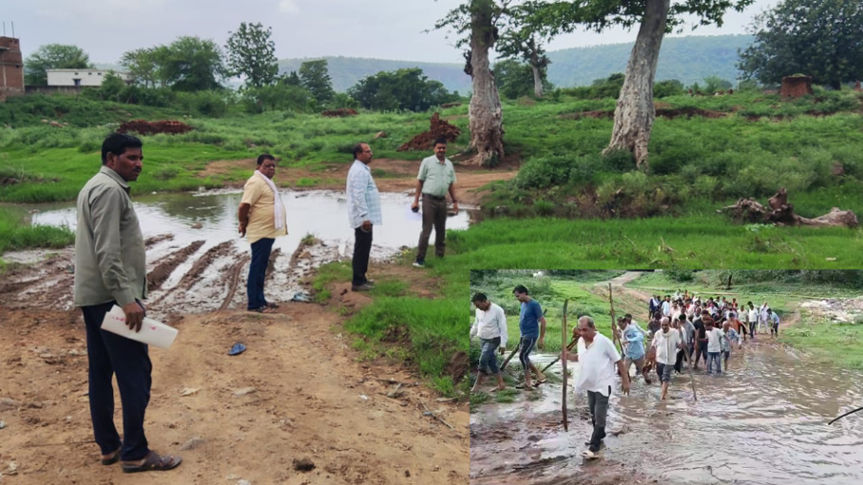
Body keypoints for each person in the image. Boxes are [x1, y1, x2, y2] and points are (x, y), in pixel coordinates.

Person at [74, 133, 181, 473]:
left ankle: (109, 447)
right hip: (111, 299)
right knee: (136, 373)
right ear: (111, 159)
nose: (139, 164)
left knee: (101, 372)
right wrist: (126, 300)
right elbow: (108, 252)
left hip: (94, 298)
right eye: (131, 158)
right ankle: (134, 452)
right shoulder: (108, 191)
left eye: (140, 158)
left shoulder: (96, 185)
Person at [563, 316, 630, 459]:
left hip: (603, 384)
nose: (582, 333)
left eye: (585, 330)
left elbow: (619, 361)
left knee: (600, 416)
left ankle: (594, 446)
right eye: (580, 330)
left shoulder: (603, 341)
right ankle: (600, 434)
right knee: (593, 413)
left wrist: (625, 381)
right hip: (589, 384)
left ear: (593, 328)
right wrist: (568, 356)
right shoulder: (581, 341)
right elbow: (581, 357)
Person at [238, 154, 287, 312]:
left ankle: (261, 300)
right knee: (257, 267)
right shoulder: (256, 182)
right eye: (267, 166)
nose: (271, 168)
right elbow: (244, 206)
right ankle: (254, 304)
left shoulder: (266, 182)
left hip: (267, 231)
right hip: (260, 231)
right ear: (259, 167)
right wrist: (242, 222)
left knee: (262, 266)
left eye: (273, 166)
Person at [411, 137, 458, 268]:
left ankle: (440, 258)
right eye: (439, 148)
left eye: (443, 148)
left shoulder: (449, 164)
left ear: (446, 149)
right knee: (427, 230)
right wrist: (415, 201)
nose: (441, 150)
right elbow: (420, 181)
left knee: (441, 230)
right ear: (434, 149)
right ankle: (419, 259)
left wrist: (455, 201)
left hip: (442, 201)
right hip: (428, 199)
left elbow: (451, 185)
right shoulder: (427, 162)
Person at [346, 143, 381, 292]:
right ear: (359, 154)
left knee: (364, 247)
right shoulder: (359, 171)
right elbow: (358, 196)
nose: (371, 154)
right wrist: (365, 217)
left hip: (365, 217)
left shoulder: (361, 169)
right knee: (361, 248)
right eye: (367, 151)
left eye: (370, 151)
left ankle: (362, 278)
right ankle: (358, 281)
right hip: (363, 218)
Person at [469, 293, 508, 392]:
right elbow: (476, 324)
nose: (477, 307)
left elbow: (503, 327)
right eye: (476, 306)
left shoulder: (497, 310)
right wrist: (470, 336)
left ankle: (476, 385)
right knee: (491, 362)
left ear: (484, 301)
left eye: (478, 305)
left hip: (493, 339)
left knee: (483, 359)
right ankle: (501, 384)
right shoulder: (478, 310)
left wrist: (503, 344)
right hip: (482, 339)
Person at [513, 285, 546, 388]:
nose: (517, 298)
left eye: (518, 296)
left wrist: (541, 338)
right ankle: (536, 375)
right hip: (523, 334)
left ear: (524, 293)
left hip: (531, 335)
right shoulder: (523, 304)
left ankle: (530, 380)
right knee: (524, 356)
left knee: (522, 356)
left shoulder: (534, 304)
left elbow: (543, 322)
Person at [651, 317, 683, 400]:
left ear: (669, 324)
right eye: (662, 325)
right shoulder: (658, 333)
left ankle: (662, 397)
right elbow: (653, 344)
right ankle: (665, 391)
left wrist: (680, 346)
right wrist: (652, 351)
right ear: (660, 325)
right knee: (660, 376)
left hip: (670, 360)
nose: (664, 327)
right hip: (659, 359)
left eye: (666, 325)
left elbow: (679, 343)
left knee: (665, 377)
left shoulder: (675, 332)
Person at [619, 316, 651, 384]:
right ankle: (628, 385)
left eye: (621, 325)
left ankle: (649, 382)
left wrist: (630, 340)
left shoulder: (632, 328)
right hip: (629, 354)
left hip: (638, 354)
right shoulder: (621, 329)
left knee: (643, 372)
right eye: (619, 325)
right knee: (624, 371)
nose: (620, 326)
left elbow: (640, 336)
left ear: (625, 323)